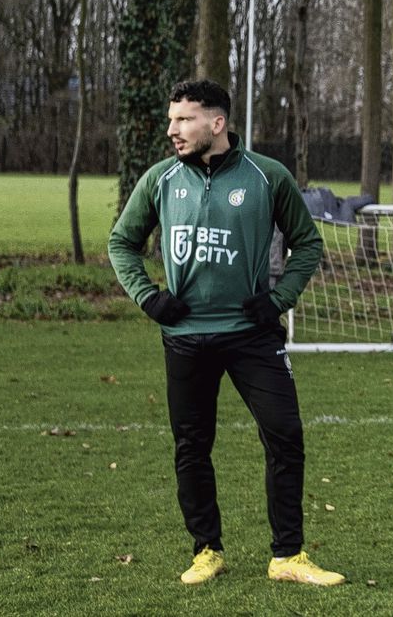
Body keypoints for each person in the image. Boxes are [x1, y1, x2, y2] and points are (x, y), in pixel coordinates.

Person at [109, 80, 343, 587]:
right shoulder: (160, 179)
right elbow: (121, 242)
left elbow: (307, 244)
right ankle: (207, 550)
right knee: (192, 444)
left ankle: (287, 556)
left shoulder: (267, 176)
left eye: (183, 120)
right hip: (185, 336)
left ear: (217, 123)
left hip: (251, 336)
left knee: (286, 436)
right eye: (171, 120)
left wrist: (278, 300)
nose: (172, 130)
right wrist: (148, 296)